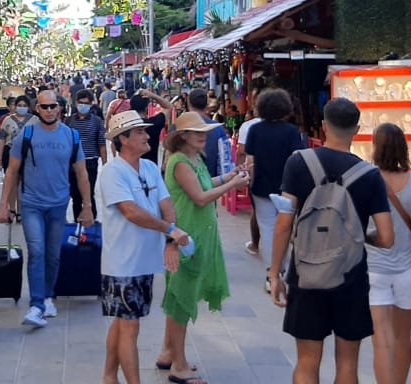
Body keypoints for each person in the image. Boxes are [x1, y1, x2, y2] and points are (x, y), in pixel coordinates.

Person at [268, 97, 393, 384]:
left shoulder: (298, 162)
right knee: (348, 364)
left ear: (324, 126)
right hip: (351, 277)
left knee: (307, 361)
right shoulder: (370, 175)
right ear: (358, 129)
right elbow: (387, 238)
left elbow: (284, 223)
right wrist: (361, 237)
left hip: (306, 273)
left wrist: (275, 273)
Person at [97, 111, 188, 384]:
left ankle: (109, 375)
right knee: (130, 326)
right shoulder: (112, 172)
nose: (147, 136)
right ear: (122, 139)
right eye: (139, 132)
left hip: (145, 261)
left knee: (123, 320)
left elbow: (166, 204)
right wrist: (169, 230)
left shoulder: (148, 167)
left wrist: (171, 239)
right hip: (122, 263)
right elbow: (131, 212)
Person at [158, 114, 250, 384]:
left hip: (197, 236)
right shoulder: (179, 161)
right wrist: (234, 184)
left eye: (204, 131)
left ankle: (167, 352)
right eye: (196, 132)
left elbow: (205, 183)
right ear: (182, 135)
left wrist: (228, 176)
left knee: (178, 298)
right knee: (181, 301)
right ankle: (179, 364)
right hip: (187, 238)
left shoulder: (194, 159)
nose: (203, 136)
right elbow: (200, 198)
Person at [0, 89, 94, 329]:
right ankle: (37, 304)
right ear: (36, 109)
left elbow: (82, 173)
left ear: (59, 108)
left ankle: (48, 296)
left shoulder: (71, 136)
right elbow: (12, 172)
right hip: (31, 203)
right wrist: (3, 206)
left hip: (59, 204)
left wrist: (88, 205)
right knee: (37, 251)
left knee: (52, 254)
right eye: (44, 106)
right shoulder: (26, 135)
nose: (49, 110)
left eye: (53, 106)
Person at [366, 123, 411, 384]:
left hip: (374, 268)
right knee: (403, 336)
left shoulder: (368, 179)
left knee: (380, 337)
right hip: (410, 269)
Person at [241, 90, 306, 276]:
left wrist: (248, 181)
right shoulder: (292, 131)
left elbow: (250, 159)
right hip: (287, 187)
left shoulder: (255, 129)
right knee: (285, 226)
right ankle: (283, 266)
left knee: (267, 227)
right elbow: (297, 156)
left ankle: (273, 271)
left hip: (261, 185)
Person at [66, 88, 107, 221]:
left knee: (88, 194)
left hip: (90, 162)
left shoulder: (97, 121)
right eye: (80, 103)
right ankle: (77, 222)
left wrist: (105, 164)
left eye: (86, 103)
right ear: (76, 103)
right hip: (72, 163)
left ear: (90, 104)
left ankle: (91, 222)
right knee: (75, 195)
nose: (83, 106)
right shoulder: (68, 121)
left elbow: (101, 144)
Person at [187, 89, 231, 178]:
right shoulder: (218, 128)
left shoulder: (177, 127)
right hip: (212, 185)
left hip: (181, 187)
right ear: (207, 105)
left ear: (189, 104)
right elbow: (224, 164)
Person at [129, 89, 173, 165]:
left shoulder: (127, 125)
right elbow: (168, 107)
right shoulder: (154, 123)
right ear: (146, 108)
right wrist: (153, 96)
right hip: (151, 166)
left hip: (130, 168)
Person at [0, 94, 33, 173]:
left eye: (24, 105)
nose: (22, 107)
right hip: (9, 153)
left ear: (28, 107)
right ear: (15, 106)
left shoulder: (35, 120)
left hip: (28, 156)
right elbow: (1, 140)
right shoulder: (7, 120)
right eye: (19, 105)